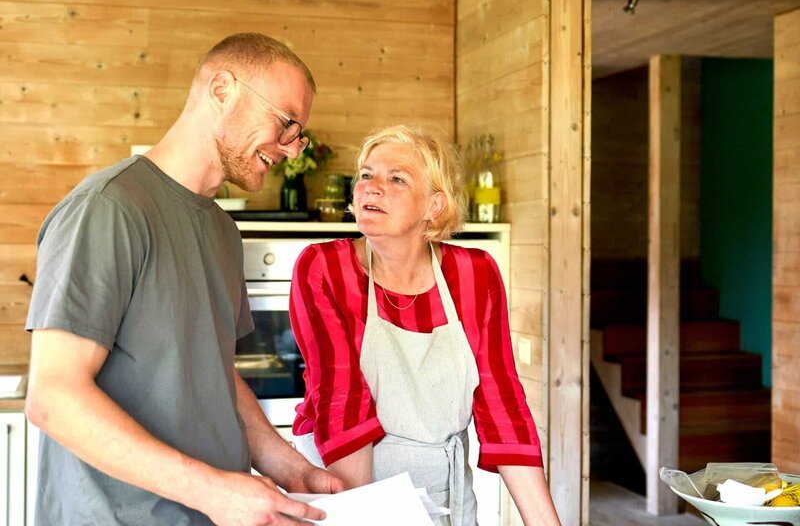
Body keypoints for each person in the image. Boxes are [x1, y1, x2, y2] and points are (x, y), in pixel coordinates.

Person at [24, 33, 343, 526]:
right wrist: (213, 492)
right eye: (286, 123)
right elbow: (54, 398)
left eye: (298, 134)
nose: (291, 150)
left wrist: (290, 468)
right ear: (221, 90)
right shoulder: (109, 208)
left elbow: (214, 373)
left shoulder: (221, 230)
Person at [289, 124, 562, 526]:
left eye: (396, 178)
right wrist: (364, 517)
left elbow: (501, 403)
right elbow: (340, 398)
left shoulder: (474, 274)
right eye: (366, 175)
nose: (371, 187)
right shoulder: (325, 268)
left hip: (444, 497)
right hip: (345, 491)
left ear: (434, 205)